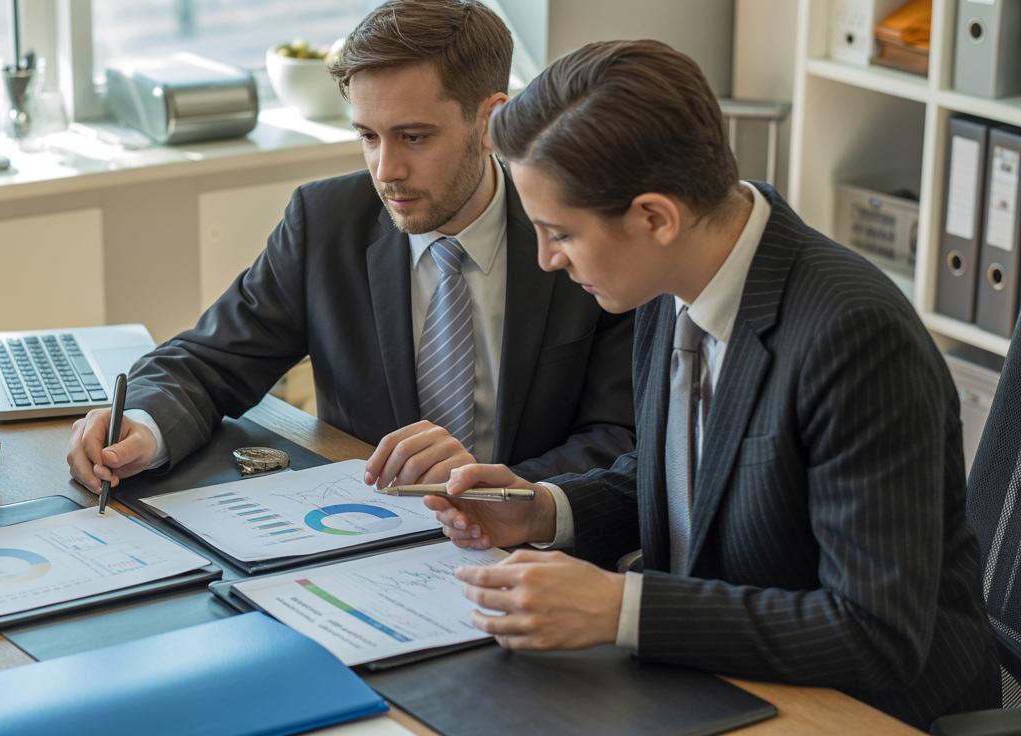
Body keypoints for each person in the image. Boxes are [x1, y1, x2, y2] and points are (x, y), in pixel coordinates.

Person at [430, 39, 998, 729]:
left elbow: (876, 634)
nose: (548, 259)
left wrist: (622, 608)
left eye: (560, 233)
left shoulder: (854, 337)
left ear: (654, 217)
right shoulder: (663, 283)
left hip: (861, 712)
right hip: (712, 681)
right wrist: (546, 510)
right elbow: (695, 477)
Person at [66, 0, 635, 494]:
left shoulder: (576, 237)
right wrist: (142, 426)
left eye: (414, 137)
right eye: (368, 136)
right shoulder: (326, 222)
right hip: (364, 538)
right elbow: (206, 361)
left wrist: (506, 495)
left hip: (533, 559)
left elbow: (621, 436)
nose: (386, 171)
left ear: (491, 121)